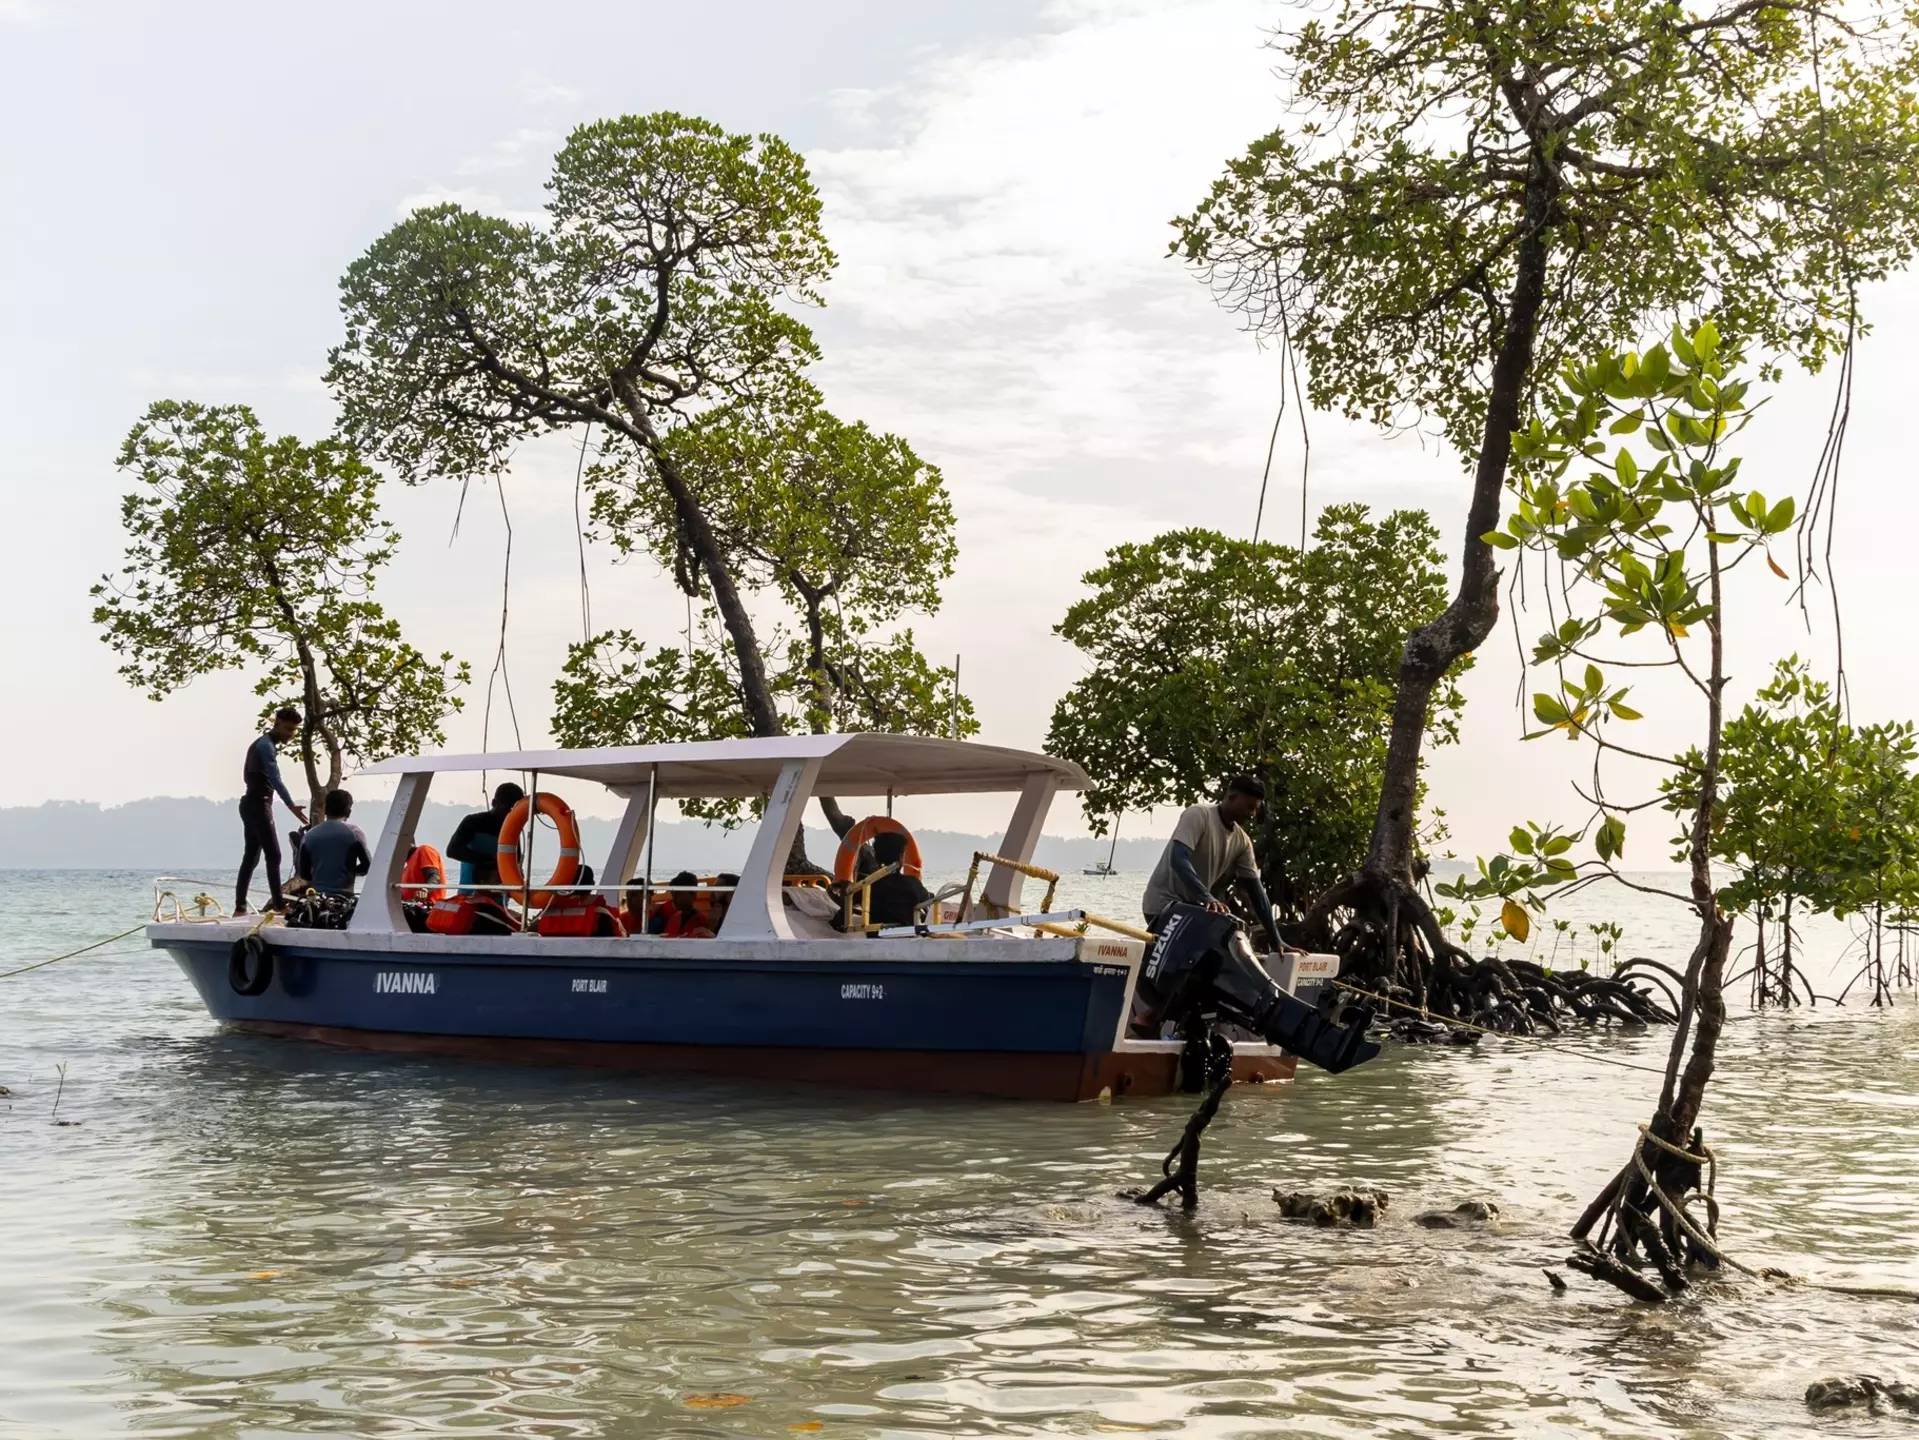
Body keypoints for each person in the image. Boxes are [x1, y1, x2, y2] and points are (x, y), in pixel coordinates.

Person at [1141, 775, 1285, 950]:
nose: (1252, 814)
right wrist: (1207, 897)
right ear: (1231, 797)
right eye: (1249, 807)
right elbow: (1178, 859)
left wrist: (1276, 940)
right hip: (1163, 905)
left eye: (1255, 809)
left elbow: (1256, 892)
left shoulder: (1243, 841)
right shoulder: (1198, 815)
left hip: (1193, 909)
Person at [236, 706, 309, 915]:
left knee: (251, 856)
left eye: (294, 730)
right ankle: (279, 906)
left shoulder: (264, 744)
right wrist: (290, 805)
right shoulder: (265, 746)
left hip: (253, 804)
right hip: (257, 805)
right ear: (276, 724)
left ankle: (240, 907)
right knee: (274, 855)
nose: (290, 734)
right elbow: (275, 778)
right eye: (287, 729)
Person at [446, 782, 525, 892]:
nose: (508, 814)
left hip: (499, 897)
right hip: (469, 893)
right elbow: (452, 850)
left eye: (514, 811)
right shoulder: (473, 822)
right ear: (494, 803)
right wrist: (488, 861)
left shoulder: (513, 831)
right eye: (506, 809)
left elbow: (515, 862)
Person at [297, 789, 372, 896]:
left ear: (326, 810)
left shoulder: (309, 836)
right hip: (344, 897)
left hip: (317, 898)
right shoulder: (355, 833)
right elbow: (367, 866)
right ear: (348, 812)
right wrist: (348, 872)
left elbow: (304, 874)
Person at [864, 832, 933, 928]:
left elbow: (838, 922)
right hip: (907, 938)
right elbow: (930, 907)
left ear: (875, 856)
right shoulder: (913, 884)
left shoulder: (866, 886)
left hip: (876, 938)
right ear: (901, 857)